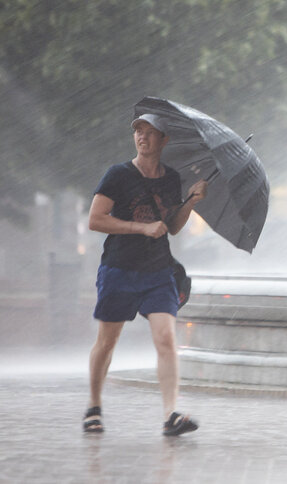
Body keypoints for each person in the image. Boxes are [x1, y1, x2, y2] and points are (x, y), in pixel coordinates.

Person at [83, 113, 208, 436]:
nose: (142, 137)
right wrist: (141, 227)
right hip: (119, 269)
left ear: (163, 140)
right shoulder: (118, 175)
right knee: (107, 342)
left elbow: (173, 227)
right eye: (138, 131)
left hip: (158, 270)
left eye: (150, 132)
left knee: (166, 339)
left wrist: (192, 201)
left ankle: (171, 415)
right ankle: (94, 407)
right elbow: (95, 220)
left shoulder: (171, 179)